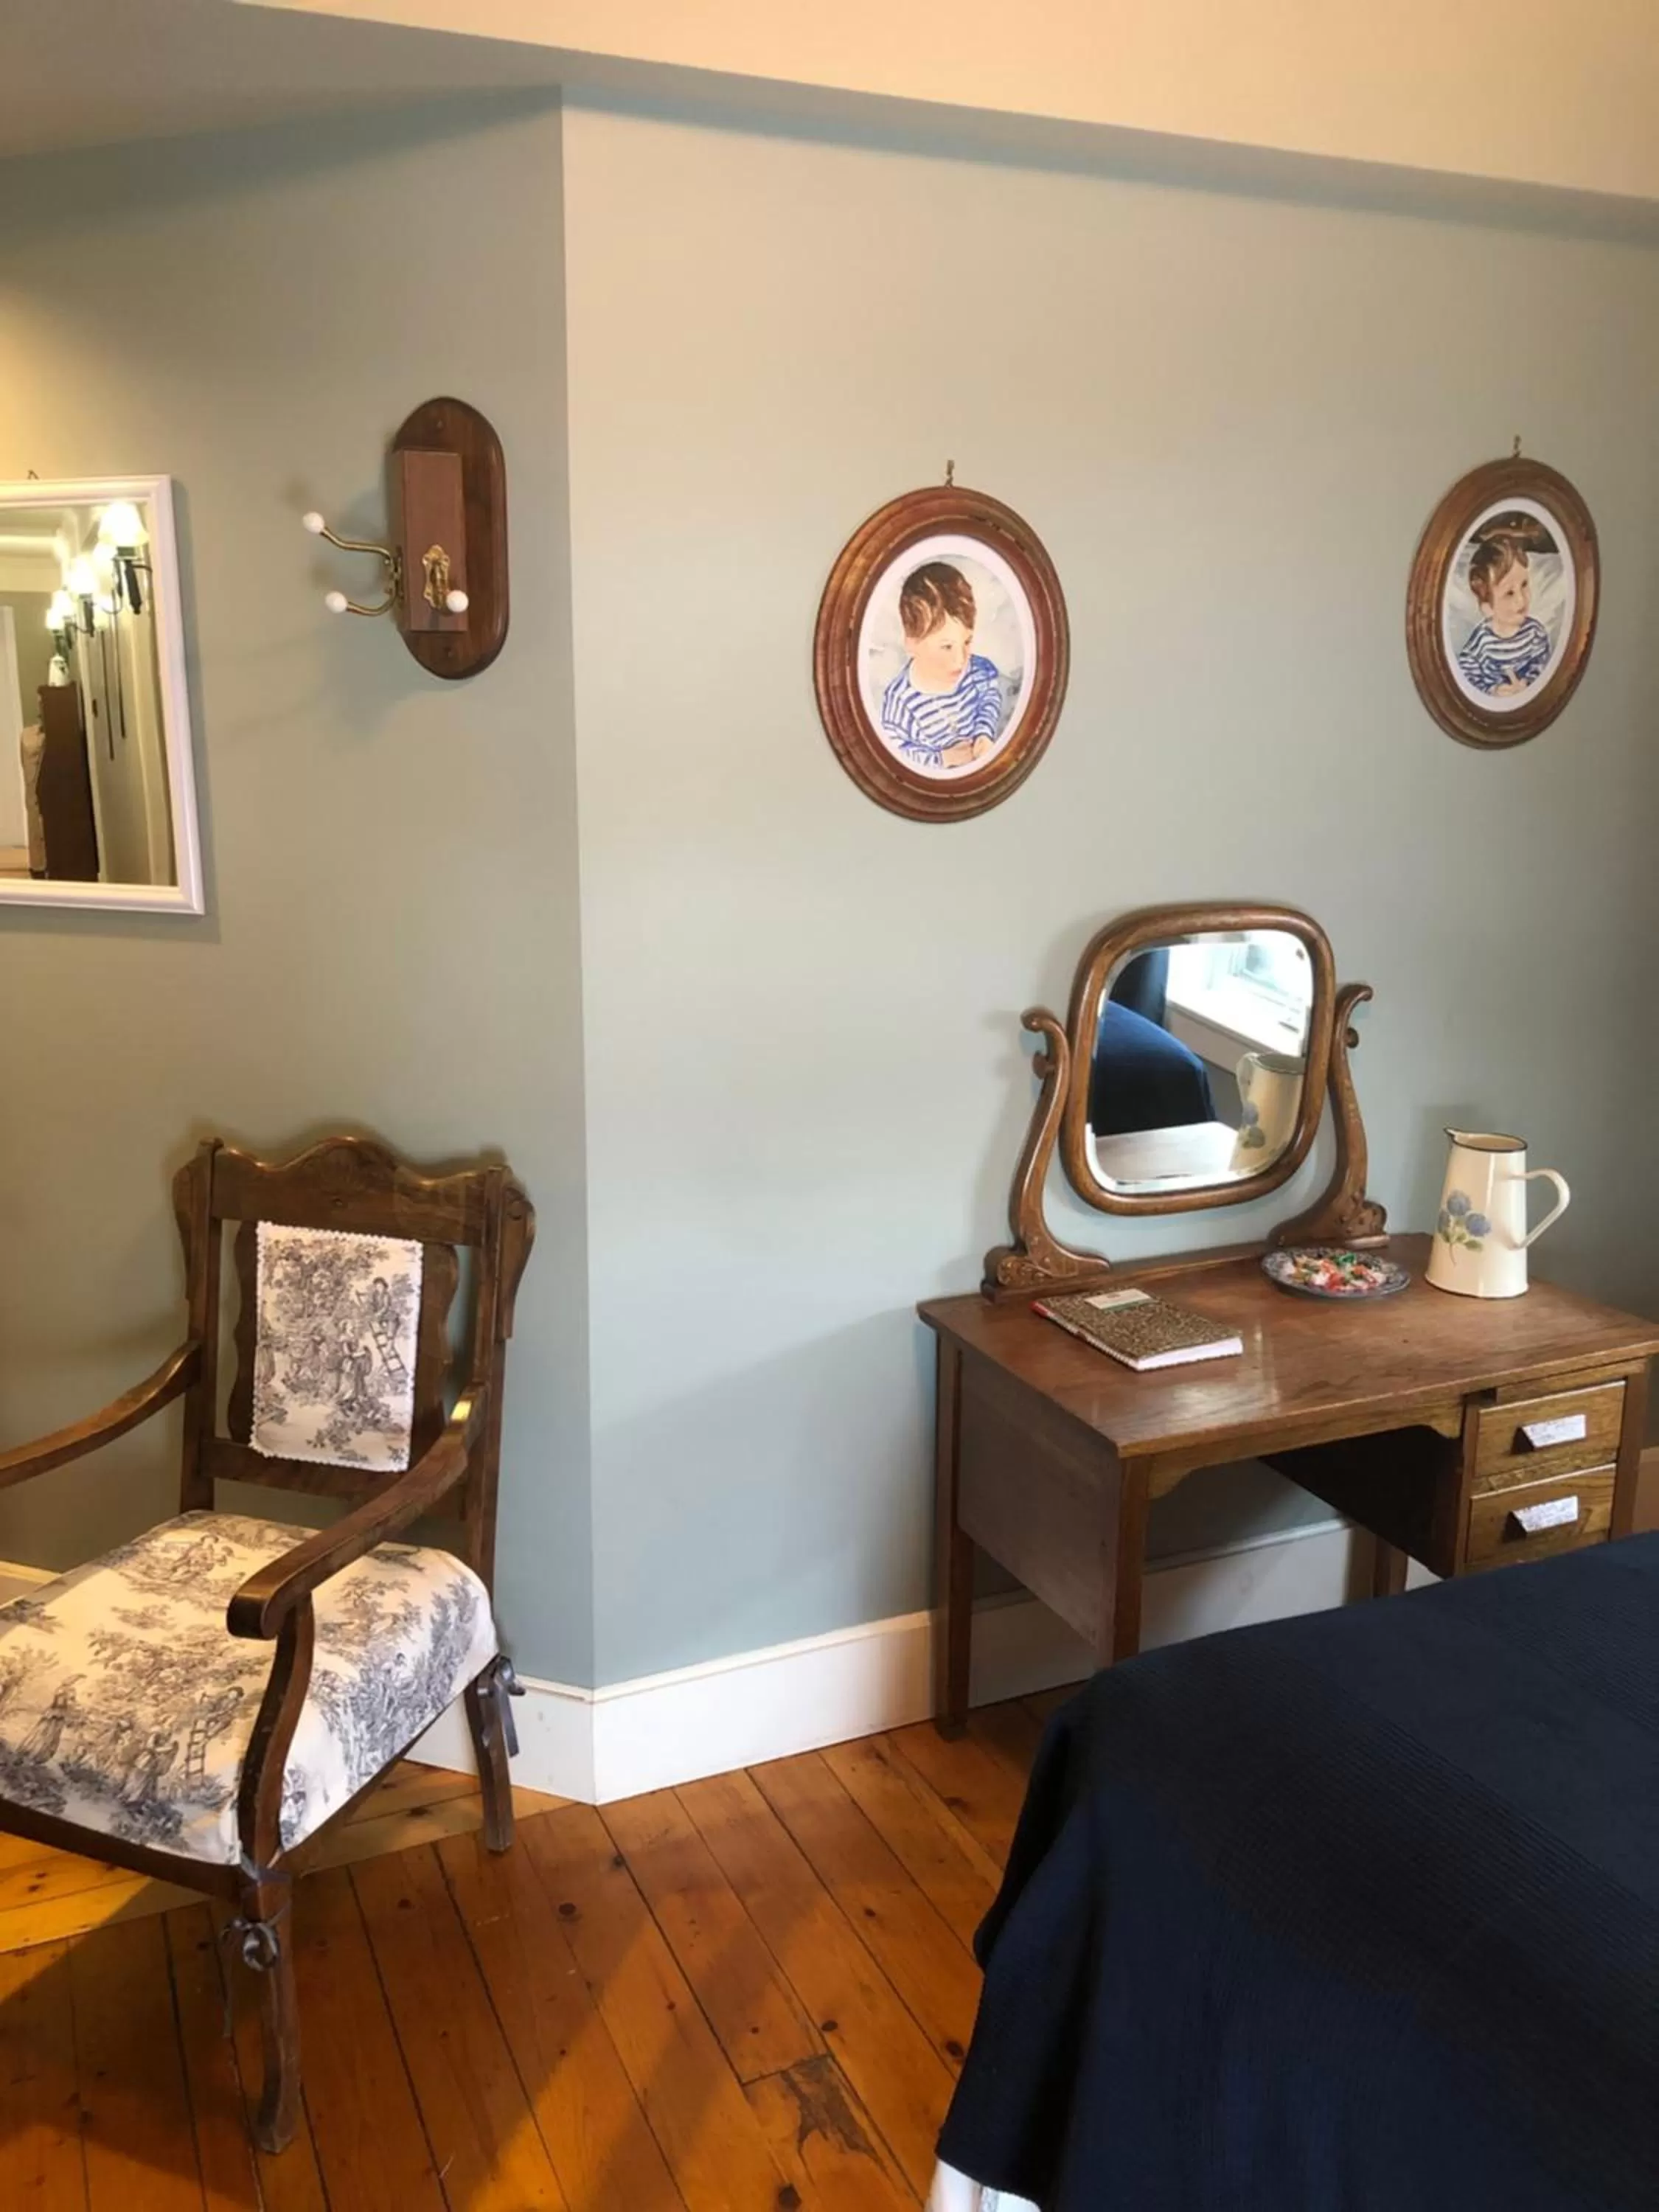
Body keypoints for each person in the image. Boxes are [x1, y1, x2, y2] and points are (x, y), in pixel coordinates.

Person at [878, 562, 1005, 769]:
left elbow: (989, 699)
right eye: (946, 647)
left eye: (967, 642)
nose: (961, 660)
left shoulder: (980, 672)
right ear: (912, 644)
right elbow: (896, 753)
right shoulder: (900, 702)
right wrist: (942, 759)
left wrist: (984, 734)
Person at [1456, 534, 1552, 698]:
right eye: (1509, 593)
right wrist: (1493, 690)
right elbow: (1467, 675)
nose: (1521, 599)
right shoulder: (1482, 641)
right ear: (1487, 608)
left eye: (1524, 585)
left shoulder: (1535, 633)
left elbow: (1542, 666)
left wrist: (1528, 684)